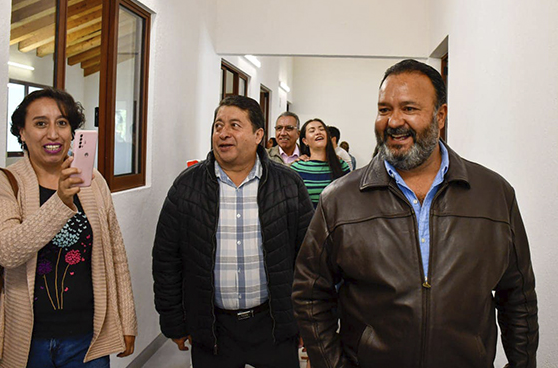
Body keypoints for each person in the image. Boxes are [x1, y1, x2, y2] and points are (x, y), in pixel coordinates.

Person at [293, 59, 538, 368]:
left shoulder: (494, 195)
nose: (394, 121)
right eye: (384, 109)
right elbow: (310, 294)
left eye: (409, 108)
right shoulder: (340, 200)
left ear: (440, 116)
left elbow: (518, 297)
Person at [152, 95, 314, 368]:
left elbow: (309, 257)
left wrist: (307, 320)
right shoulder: (187, 187)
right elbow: (166, 259)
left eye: (234, 125)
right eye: (218, 126)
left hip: (274, 324)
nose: (223, 133)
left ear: (258, 135)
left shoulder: (288, 185)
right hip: (213, 328)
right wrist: (174, 321)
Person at [0, 88, 137, 367]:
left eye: (62, 123)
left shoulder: (93, 182)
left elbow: (116, 255)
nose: (53, 134)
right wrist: (61, 201)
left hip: (87, 339)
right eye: (40, 123)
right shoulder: (0, 183)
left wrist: (127, 321)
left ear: (72, 132)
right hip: (27, 341)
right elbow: (6, 251)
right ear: (22, 132)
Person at [290, 119, 350, 209]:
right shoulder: (297, 168)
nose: (318, 132)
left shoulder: (341, 166)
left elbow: (349, 197)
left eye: (321, 129)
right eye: (312, 131)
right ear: (305, 141)